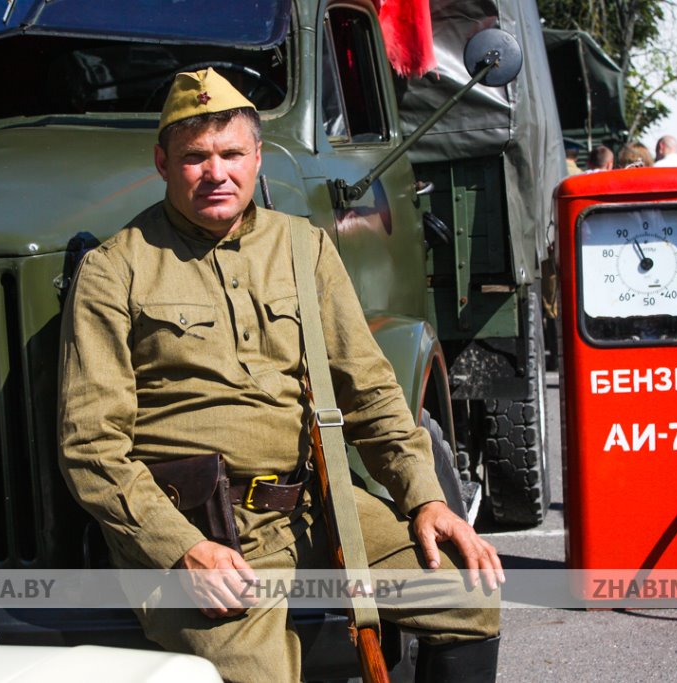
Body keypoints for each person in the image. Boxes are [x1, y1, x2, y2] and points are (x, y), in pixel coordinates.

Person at [57, 68, 502, 683]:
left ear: (258, 157)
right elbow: (91, 447)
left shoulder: (303, 248)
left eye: (232, 153)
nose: (217, 172)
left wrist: (424, 497)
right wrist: (178, 547)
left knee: (468, 598)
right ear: (162, 163)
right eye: (195, 158)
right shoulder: (116, 269)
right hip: (201, 530)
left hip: (317, 507)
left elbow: (369, 390)